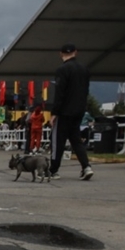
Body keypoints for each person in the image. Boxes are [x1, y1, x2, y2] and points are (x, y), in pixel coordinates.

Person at [47, 44, 93, 181]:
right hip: (79, 110)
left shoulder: (62, 70)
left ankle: (53, 170)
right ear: (76, 52)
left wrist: (54, 112)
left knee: (58, 141)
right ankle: (86, 167)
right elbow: (86, 91)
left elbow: (60, 92)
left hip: (64, 111)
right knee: (76, 140)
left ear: (60, 54)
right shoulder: (85, 70)